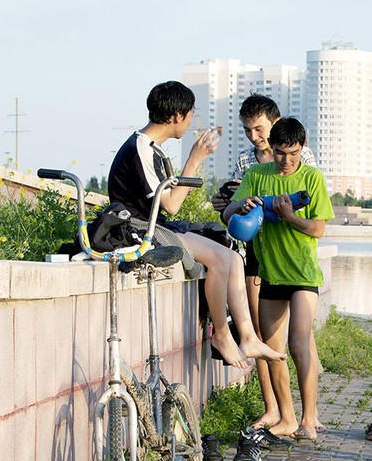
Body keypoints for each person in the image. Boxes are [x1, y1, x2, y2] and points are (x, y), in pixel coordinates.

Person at [107, 80, 285, 369]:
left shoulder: (151, 148)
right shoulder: (140, 147)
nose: (191, 123)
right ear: (178, 116)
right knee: (218, 261)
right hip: (138, 230)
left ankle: (248, 337)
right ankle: (222, 336)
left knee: (233, 259)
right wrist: (194, 158)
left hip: (154, 226)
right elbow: (171, 204)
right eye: (190, 115)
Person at [215, 94, 322, 432]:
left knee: (300, 342)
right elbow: (230, 210)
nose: (254, 136)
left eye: (258, 129)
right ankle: (281, 414)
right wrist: (237, 205)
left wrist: (289, 217)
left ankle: (309, 417)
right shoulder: (252, 169)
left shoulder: (308, 170)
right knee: (268, 343)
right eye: (248, 130)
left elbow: (318, 224)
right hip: (264, 265)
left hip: (301, 269)